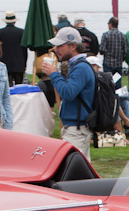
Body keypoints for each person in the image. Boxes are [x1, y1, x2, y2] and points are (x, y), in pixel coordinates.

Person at [40, 26, 95, 160]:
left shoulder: (80, 68)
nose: (55, 49)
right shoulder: (78, 66)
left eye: (60, 46)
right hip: (76, 128)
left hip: (77, 129)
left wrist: (54, 74)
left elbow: (68, 93)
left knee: (73, 171)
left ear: (73, 46)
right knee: (79, 171)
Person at [0, 11, 26, 85]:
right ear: (14, 21)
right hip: (19, 64)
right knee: (19, 87)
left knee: (7, 87)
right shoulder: (21, 32)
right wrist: (24, 63)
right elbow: (24, 50)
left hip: (4, 64)